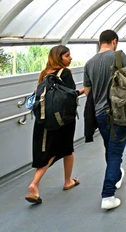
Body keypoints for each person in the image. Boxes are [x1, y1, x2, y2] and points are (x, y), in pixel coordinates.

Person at [25, 45, 83, 204]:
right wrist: (83, 91)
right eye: (67, 56)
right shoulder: (65, 73)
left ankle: (64, 181)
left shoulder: (44, 74)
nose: (70, 58)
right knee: (64, 149)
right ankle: (38, 184)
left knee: (50, 150)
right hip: (63, 119)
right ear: (59, 58)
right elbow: (69, 96)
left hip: (44, 119)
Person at [83, 30, 126, 210]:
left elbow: (88, 91)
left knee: (109, 148)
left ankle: (116, 176)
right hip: (119, 113)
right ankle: (108, 195)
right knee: (115, 153)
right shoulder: (118, 57)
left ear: (99, 42)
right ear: (114, 41)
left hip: (99, 114)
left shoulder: (89, 63)